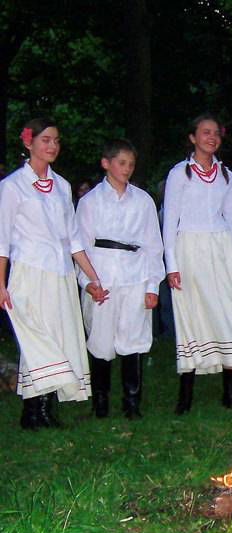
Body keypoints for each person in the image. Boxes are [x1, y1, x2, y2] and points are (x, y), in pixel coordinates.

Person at [0, 118, 109, 429]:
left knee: (58, 338)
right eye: (46, 140)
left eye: (56, 140)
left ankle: (39, 411)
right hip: (30, 272)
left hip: (59, 273)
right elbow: (2, 241)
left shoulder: (61, 186)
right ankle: (36, 411)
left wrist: (93, 278)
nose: (52, 146)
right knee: (38, 340)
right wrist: (0, 284)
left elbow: (73, 239)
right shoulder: (12, 186)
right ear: (28, 142)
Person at [163, 114, 232, 414]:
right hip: (190, 247)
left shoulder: (226, 174)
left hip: (222, 247)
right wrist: (171, 264)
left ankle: (231, 390)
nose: (211, 137)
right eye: (205, 132)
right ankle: (185, 395)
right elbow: (169, 220)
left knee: (230, 314)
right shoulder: (179, 174)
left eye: (215, 133)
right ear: (193, 137)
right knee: (194, 316)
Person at [75, 139, 164, 419]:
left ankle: (132, 401)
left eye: (131, 164)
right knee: (100, 339)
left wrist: (152, 285)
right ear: (106, 163)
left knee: (133, 338)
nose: (127, 169)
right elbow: (80, 244)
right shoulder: (90, 202)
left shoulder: (143, 201)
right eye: (121, 163)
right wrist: (87, 281)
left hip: (135, 275)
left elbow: (153, 245)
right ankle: (100, 402)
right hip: (102, 274)